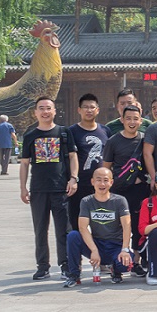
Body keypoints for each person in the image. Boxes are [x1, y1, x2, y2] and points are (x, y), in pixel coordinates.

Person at [20, 96, 79, 280]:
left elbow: (73, 157)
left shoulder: (64, 132)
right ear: (35, 112)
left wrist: (73, 178)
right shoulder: (30, 136)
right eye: (41, 108)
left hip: (61, 188)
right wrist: (23, 188)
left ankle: (65, 265)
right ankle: (43, 266)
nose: (45, 112)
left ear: (54, 111)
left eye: (48, 108)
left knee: (63, 230)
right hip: (38, 189)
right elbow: (24, 164)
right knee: (40, 229)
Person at [63, 167, 134, 288]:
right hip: (97, 243)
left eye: (106, 180)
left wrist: (125, 250)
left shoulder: (120, 201)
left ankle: (115, 270)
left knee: (125, 265)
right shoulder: (86, 201)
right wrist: (94, 250)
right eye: (98, 180)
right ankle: (74, 275)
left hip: (115, 245)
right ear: (92, 182)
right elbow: (83, 227)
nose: (102, 184)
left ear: (111, 182)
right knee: (73, 236)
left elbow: (127, 226)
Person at [102, 104, 148, 264]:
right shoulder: (113, 141)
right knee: (118, 225)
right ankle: (117, 260)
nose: (132, 122)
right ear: (122, 119)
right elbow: (106, 168)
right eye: (128, 118)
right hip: (119, 190)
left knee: (138, 225)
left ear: (141, 121)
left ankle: (136, 260)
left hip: (141, 190)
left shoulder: (145, 140)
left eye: (136, 119)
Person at [68, 94, 110, 232]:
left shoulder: (105, 131)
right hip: (79, 185)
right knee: (77, 224)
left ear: (97, 110)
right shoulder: (72, 131)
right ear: (79, 110)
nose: (89, 110)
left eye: (92, 107)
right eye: (85, 107)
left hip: (101, 186)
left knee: (102, 225)